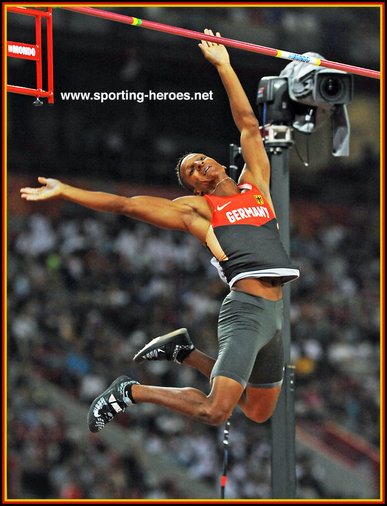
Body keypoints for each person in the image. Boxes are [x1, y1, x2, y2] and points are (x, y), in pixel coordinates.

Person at [20, 29, 299, 432]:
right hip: (247, 311)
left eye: (202, 159)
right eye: (191, 170)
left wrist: (225, 66)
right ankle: (132, 392)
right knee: (215, 411)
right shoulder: (200, 211)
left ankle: (184, 351)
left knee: (258, 411)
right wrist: (66, 190)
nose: (200, 164)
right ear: (194, 187)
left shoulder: (256, 186)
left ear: (219, 165)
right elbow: (125, 204)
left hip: (276, 311)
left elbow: (249, 126)